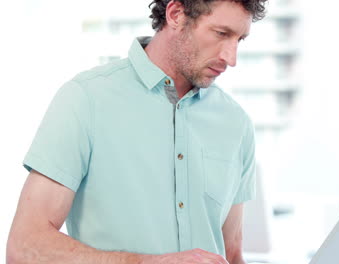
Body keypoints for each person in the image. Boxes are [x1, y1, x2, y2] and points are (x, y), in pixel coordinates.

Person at [6, 0, 268, 263]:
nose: (230, 58)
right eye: (221, 34)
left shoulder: (237, 123)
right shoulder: (87, 99)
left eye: (240, 39)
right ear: (176, 14)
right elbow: (25, 246)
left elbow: (232, 253)